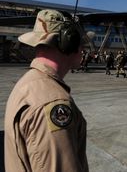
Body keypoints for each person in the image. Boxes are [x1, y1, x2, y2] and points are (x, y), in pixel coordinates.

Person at [4, 9, 89, 171]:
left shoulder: (29, 83)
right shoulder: (52, 103)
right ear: (68, 43)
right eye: (80, 43)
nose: (83, 49)